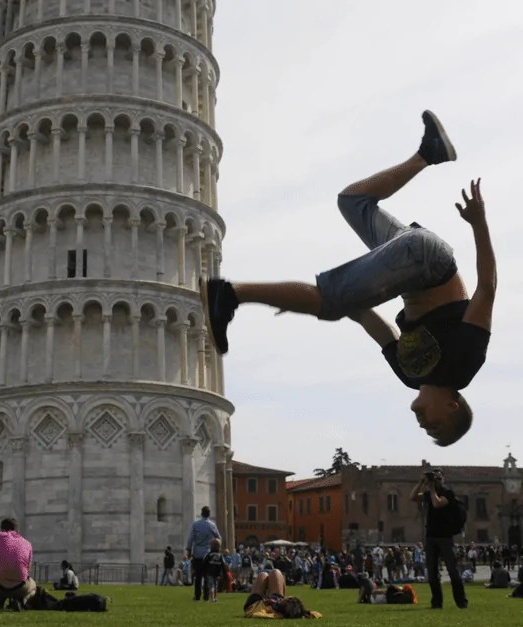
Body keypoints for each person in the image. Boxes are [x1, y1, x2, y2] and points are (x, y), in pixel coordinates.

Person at [202, 112, 494, 447]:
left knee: (353, 201)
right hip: (429, 262)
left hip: (411, 267)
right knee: (331, 300)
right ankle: (228, 294)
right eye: (436, 427)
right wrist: (478, 223)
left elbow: (377, 328)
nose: (424, 426)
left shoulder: (409, 376)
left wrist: (304, 302)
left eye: (428, 432)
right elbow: (486, 291)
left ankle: (429, 153)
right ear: (452, 405)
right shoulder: (463, 367)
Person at [413, 468, 468, 609]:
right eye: (434, 478)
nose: (436, 481)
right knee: (432, 573)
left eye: (438, 478)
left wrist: (431, 489)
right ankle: (437, 603)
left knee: (452, 571)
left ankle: (461, 602)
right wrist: (421, 482)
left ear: (443, 479)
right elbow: (412, 497)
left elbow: (437, 504)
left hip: (445, 537)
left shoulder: (448, 493)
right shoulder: (428, 493)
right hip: (431, 537)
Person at [0, 518, 36, 612]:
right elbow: (28, 569)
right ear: (17, 530)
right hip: (20, 588)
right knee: (34, 586)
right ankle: (22, 601)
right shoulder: (27, 543)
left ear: (1, 529)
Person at [186, 506, 221, 601]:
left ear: (201, 513)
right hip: (208, 553)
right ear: (209, 514)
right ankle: (206, 595)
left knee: (198, 576)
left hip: (197, 553)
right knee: (206, 575)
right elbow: (218, 537)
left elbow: (190, 539)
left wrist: (188, 550)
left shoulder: (195, 524)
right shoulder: (212, 525)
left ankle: (197, 595)